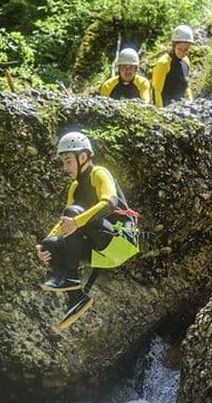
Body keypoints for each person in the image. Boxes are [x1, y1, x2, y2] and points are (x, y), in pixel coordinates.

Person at [35, 132, 139, 329]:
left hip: (121, 240)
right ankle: (76, 297)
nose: (65, 168)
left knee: (74, 213)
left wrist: (77, 222)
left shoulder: (99, 173)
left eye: (68, 161)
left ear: (83, 157)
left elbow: (110, 202)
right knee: (51, 245)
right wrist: (44, 243)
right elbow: (65, 223)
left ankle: (71, 278)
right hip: (99, 250)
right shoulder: (74, 187)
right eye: (63, 163)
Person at [152, 24, 194, 107]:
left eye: (186, 49)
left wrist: (191, 103)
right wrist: (161, 113)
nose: (182, 52)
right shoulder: (163, 63)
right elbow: (156, 91)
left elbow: (186, 86)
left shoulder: (186, 61)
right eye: (179, 48)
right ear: (174, 45)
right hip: (165, 108)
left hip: (180, 109)